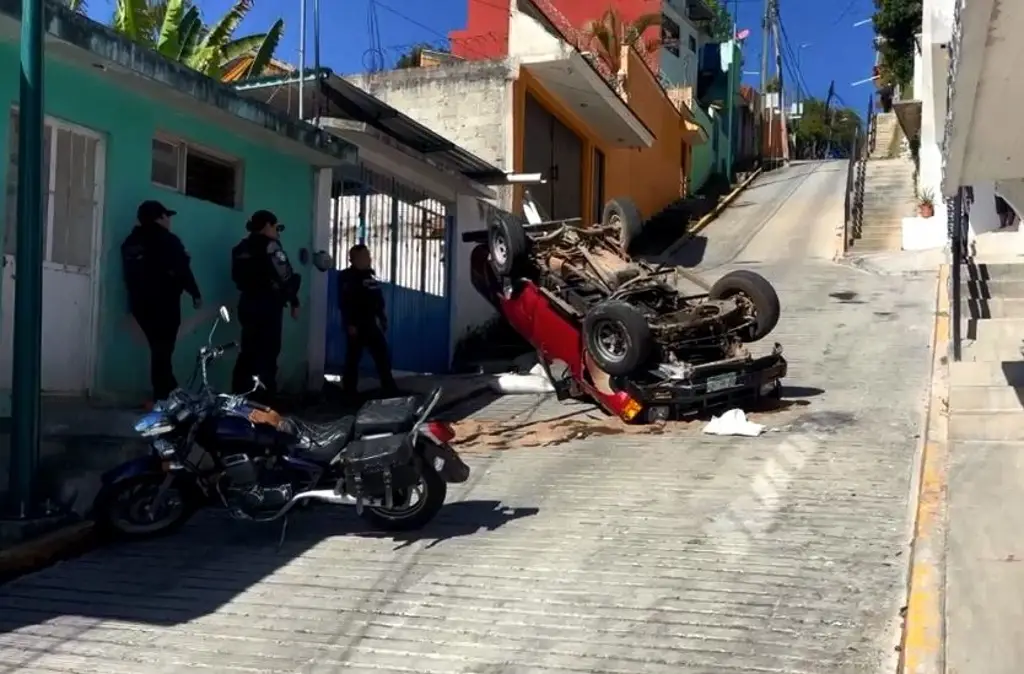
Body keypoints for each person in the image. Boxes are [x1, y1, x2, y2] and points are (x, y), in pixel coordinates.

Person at [121, 200, 202, 403]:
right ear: (160, 218)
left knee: (159, 349)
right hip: (164, 303)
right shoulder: (168, 240)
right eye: (167, 216)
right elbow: (181, 269)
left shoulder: (130, 242)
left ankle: (168, 390)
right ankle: (165, 395)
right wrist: (195, 293)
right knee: (163, 350)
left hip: (140, 305)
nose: (169, 221)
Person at [230, 210, 301, 403]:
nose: (278, 232)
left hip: (247, 303)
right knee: (268, 352)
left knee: (248, 351)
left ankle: (239, 396)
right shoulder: (271, 247)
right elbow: (285, 276)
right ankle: (265, 399)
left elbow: (236, 277)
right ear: (267, 226)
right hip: (268, 304)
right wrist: (294, 300)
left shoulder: (240, 248)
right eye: (277, 227)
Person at [338, 244, 397, 397]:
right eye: (365, 256)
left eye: (368, 255)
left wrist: (382, 318)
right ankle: (349, 393)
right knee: (353, 359)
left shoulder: (369, 277)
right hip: (357, 324)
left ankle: (389, 388)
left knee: (382, 356)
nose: (369, 259)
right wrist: (350, 323)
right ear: (355, 259)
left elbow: (377, 300)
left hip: (370, 323)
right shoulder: (348, 277)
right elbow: (345, 302)